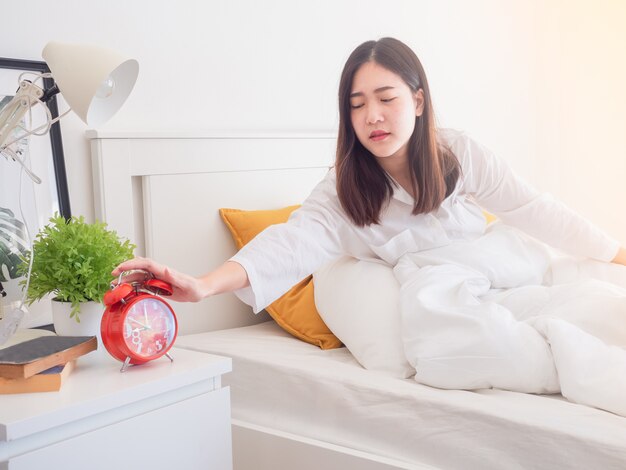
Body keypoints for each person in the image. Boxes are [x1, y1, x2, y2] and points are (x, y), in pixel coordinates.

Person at [113, 36, 626, 318]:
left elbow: (533, 208)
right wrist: (203, 285)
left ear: (418, 101)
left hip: (510, 278)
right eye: (357, 105)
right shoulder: (343, 191)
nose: (372, 116)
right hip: (458, 302)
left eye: (387, 99)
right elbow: (288, 245)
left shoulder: (460, 153)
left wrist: (614, 253)